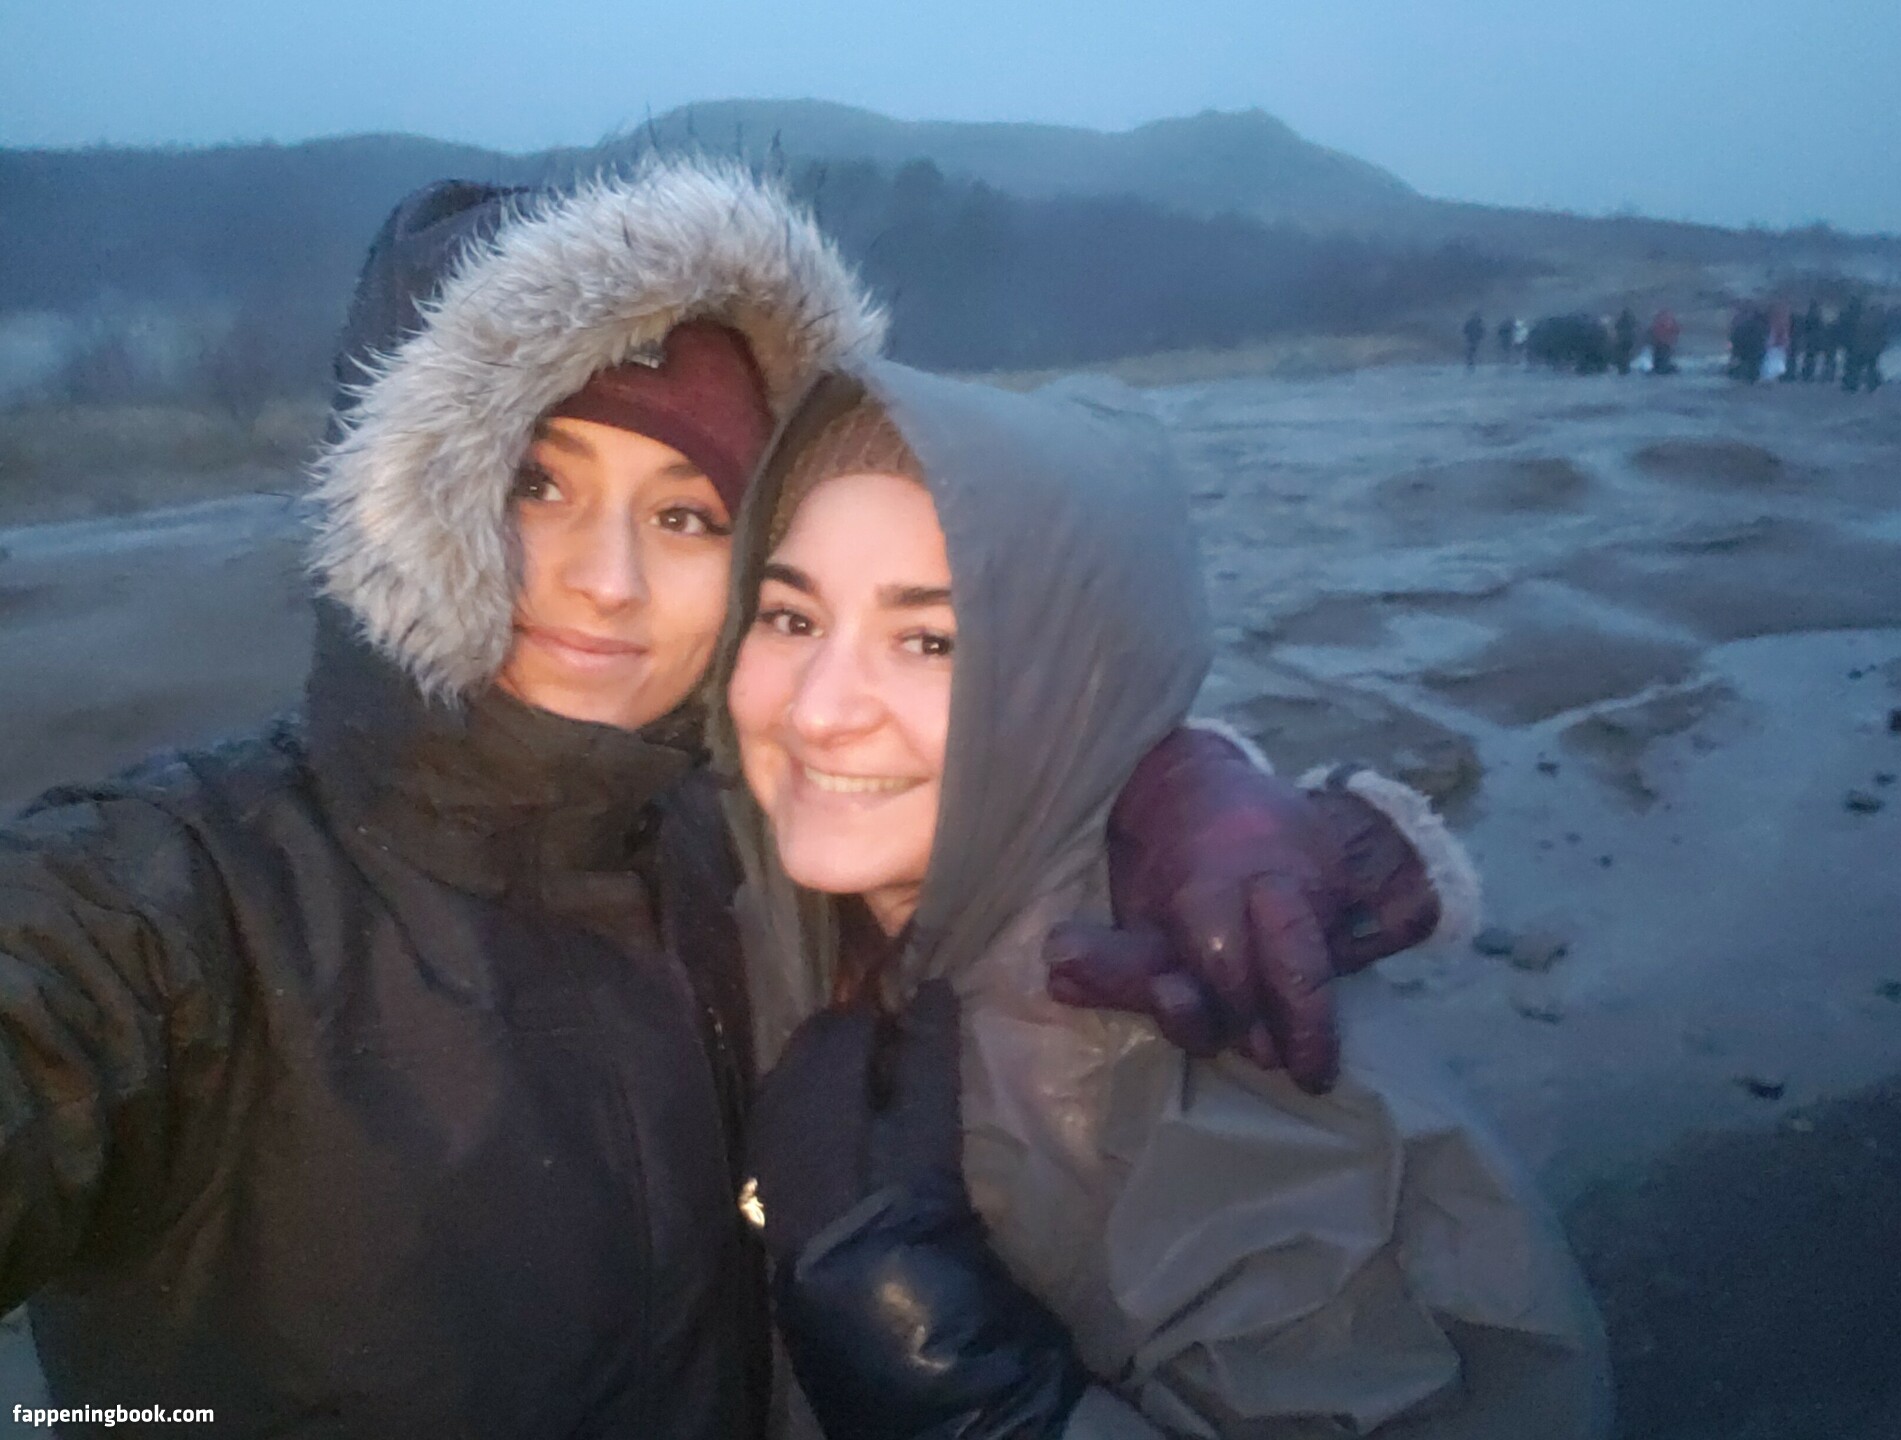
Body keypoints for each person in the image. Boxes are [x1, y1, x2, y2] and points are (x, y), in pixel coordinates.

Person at [0, 162, 1462, 1432]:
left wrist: (1176, 776)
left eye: (688, 515)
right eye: (537, 484)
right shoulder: (175, 914)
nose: (606, 580)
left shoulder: (757, 843)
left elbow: (1002, 757)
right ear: (409, 498)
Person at [719, 369, 1609, 1439]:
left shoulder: (1216, 1070)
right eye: (790, 616)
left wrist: (984, 1411)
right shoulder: (809, 914)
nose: (816, 710)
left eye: (932, 641)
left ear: (1082, 687)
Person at [1844, 301, 1887, 393]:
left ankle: (1853, 385)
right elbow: (1880, 338)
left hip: (1862, 349)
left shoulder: (1860, 322)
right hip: (1869, 349)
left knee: (1858, 367)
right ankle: (1870, 384)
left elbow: (1856, 337)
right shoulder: (1876, 324)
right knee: (1870, 367)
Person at [1799, 300, 1826, 382]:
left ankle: (1806, 374)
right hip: (1814, 340)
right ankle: (1809, 374)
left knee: (1808, 358)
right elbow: (1821, 329)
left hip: (1809, 340)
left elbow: (1804, 328)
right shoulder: (1818, 318)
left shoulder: (1809, 316)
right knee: (1812, 358)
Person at [1649, 307, 1681, 374]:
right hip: (1663, 344)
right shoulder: (1668, 322)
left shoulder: (1658, 322)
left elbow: (1653, 332)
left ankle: (1661, 368)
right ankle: (1662, 367)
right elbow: (1676, 331)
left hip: (1661, 344)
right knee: (1662, 356)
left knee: (1661, 356)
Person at [1614, 305, 1639, 375]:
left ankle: (1622, 368)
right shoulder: (1631, 319)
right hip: (1629, 340)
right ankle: (1626, 368)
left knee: (1622, 354)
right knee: (1627, 354)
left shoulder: (1620, 320)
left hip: (1622, 340)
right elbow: (1635, 326)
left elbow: (1616, 327)